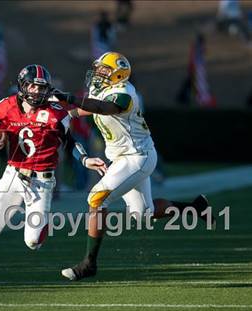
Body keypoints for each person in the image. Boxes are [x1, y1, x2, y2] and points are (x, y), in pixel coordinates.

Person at [54, 52, 215, 281]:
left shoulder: (126, 94)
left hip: (136, 157)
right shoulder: (105, 90)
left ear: (117, 74)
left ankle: (89, 263)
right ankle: (196, 207)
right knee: (144, 213)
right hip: (125, 157)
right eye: (99, 69)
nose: (98, 73)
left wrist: (68, 97)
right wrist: (67, 115)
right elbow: (92, 106)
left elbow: (105, 107)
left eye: (103, 70)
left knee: (96, 199)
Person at [0, 64, 107, 290]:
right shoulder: (3, 108)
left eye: (42, 87)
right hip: (13, 175)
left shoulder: (56, 113)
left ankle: (42, 224)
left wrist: (85, 160)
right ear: (23, 85)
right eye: (34, 86)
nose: (38, 91)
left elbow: (70, 142)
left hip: (42, 181)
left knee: (33, 242)